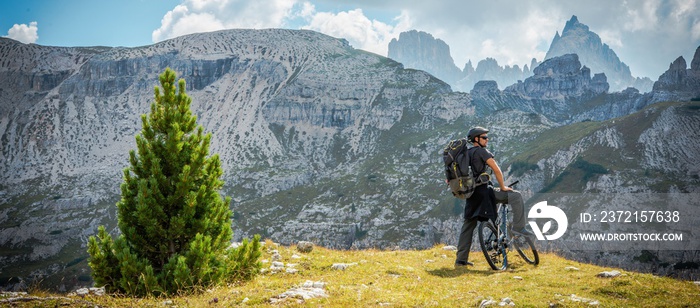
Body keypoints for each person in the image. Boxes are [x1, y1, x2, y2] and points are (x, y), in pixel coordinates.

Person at [454, 126, 532, 268]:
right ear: (476, 139)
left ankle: (460, 260)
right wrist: (503, 187)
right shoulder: (482, 152)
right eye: (484, 137)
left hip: (471, 195)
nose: (487, 139)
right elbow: (496, 169)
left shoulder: (465, 154)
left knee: (468, 226)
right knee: (516, 196)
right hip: (485, 192)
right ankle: (519, 228)